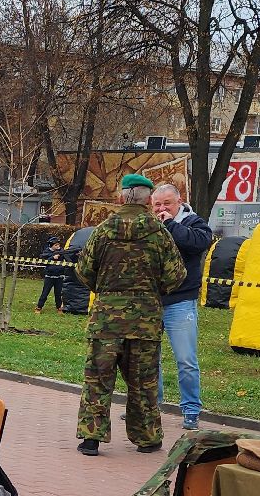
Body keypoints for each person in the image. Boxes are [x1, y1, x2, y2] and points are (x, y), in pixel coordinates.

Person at [74, 174, 186, 457]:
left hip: (105, 320)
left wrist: (105, 290)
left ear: (122, 197)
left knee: (98, 379)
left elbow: (83, 271)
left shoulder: (102, 230)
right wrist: (151, 292)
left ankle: (91, 438)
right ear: (149, 200)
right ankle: (147, 437)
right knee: (143, 382)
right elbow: (176, 275)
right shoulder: (159, 233)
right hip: (145, 322)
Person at [152, 183, 213, 429]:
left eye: (167, 203)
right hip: (153, 301)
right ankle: (149, 406)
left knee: (186, 359)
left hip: (181, 302)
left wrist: (170, 225)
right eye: (157, 204)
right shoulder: (149, 225)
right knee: (149, 359)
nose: (161, 208)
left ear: (179, 202)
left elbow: (198, 244)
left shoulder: (194, 223)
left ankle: (190, 409)